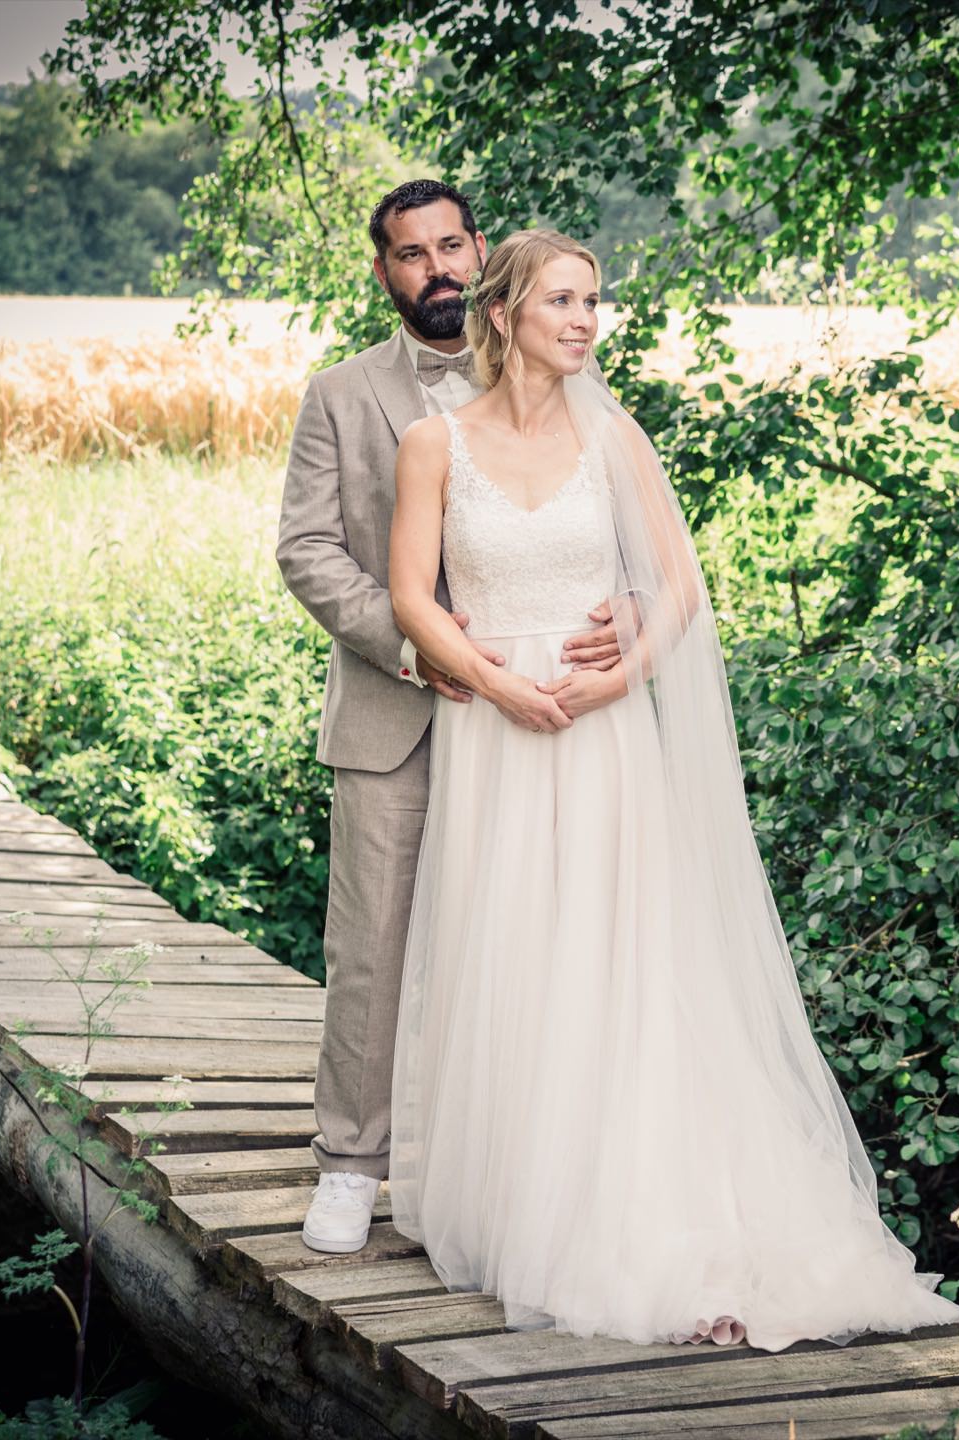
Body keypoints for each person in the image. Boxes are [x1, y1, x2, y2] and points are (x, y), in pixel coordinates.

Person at [383, 228, 959, 1352]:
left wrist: (623, 681)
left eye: (594, 302)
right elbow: (413, 597)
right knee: (518, 959)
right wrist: (494, 681)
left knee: (624, 963)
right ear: (502, 314)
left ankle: (659, 1217)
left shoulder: (617, 439)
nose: (586, 320)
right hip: (496, 735)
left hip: (603, 742)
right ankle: (530, 1207)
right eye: (562, 300)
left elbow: (682, 588)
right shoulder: (433, 444)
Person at [276, 182, 623, 1254]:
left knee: (533, 940)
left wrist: (635, 614)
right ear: (384, 272)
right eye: (411, 254)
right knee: (373, 946)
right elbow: (307, 551)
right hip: (397, 713)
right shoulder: (341, 395)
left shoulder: (563, 376)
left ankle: (518, 1170)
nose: (436, 267)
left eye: (451, 246)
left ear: (482, 255)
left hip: (542, 720)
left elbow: (633, 535)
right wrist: (424, 648)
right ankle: (349, 1165)